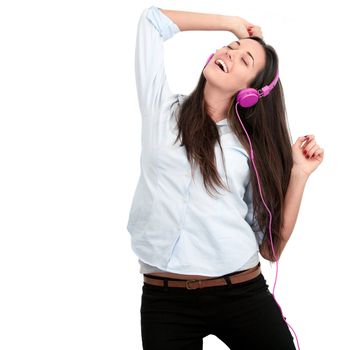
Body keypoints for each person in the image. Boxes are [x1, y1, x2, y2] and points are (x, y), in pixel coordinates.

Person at [126, 5, 324, 350]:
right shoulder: (161, 110)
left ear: (250, 91)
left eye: (244, 61)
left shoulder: (249, 147)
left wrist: (299, 174)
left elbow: (271, 247)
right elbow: (152, 22)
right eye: (229, 48)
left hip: (240, 293)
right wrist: (231, 25)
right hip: (165, 299)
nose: (229, 54)